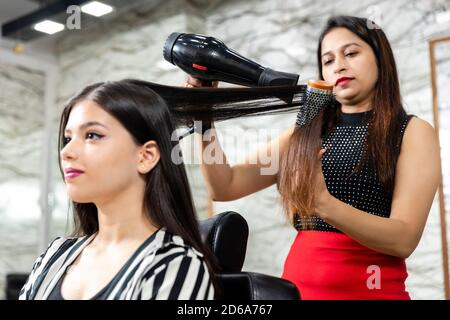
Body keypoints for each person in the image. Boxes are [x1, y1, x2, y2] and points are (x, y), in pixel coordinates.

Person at [184, 16, 441, 299]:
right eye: (328, 61)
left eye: (351, 53)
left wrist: (324, 204)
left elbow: (404, 239)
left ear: (382, 59)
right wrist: (203, 120)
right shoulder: (307, 132)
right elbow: (226, 185)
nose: (339, 65)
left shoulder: (411, 131)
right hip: (299, 291)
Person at [19, 80, 218, 300]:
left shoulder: (176, 267)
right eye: (68, 138)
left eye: (92, 135)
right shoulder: (54, 256)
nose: (66, 151)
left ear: (146, 156)